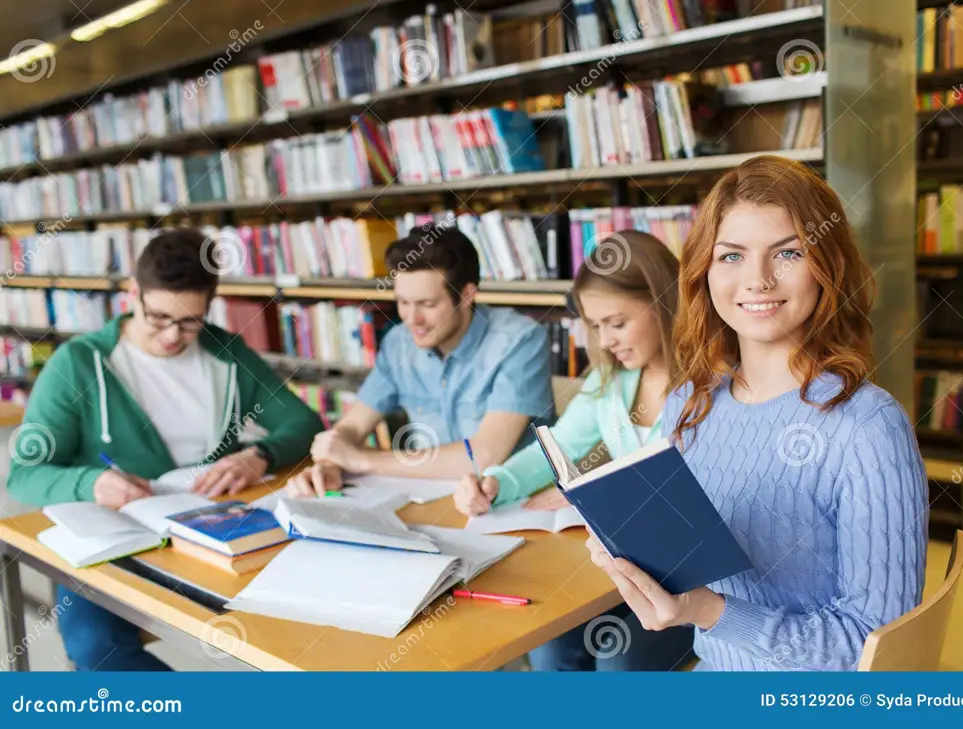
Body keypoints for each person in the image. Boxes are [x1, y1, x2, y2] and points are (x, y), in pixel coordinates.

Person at [585, 155, 929, 671]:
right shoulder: (689, 404)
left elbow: (875, 651)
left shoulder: (867, 427)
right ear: (704, 271)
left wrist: (707, 610)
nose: (758, 280)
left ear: (826, 267)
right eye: (731, 256)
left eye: (788, 252)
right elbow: (687, 566)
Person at [7, 228, 323, 671]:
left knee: (309, 625)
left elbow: (303, 423)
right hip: (116, 544)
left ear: (209, 304)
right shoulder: (79, 364)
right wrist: (90, 481)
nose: (173, 336)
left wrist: (260, 455)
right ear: (133, 293)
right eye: (158, 317)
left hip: (218, 532)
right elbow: (24, 474)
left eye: (189, 321)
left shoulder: (225, 352)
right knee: (97, 650)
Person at [455, 230, 695, 671]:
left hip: (695, 584)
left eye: (617, 322)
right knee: (550, 644)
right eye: (596, 325)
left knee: (617, 659)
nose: (604, 341)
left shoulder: (714, 386)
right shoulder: (610, 384)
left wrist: (594, 497)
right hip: (623, 572)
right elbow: (557, 449)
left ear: (664, 302)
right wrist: (496, 482)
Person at [286, 224, 554, 497]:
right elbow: (353, 426)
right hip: (432, 497)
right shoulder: (398, 342)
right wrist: (331, 462)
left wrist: (363, 460)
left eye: (427, 304)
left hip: (515, 499)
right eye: (403, 302)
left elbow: (484, 455)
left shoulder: (520, 340)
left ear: (466, 296)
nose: (412, 320)